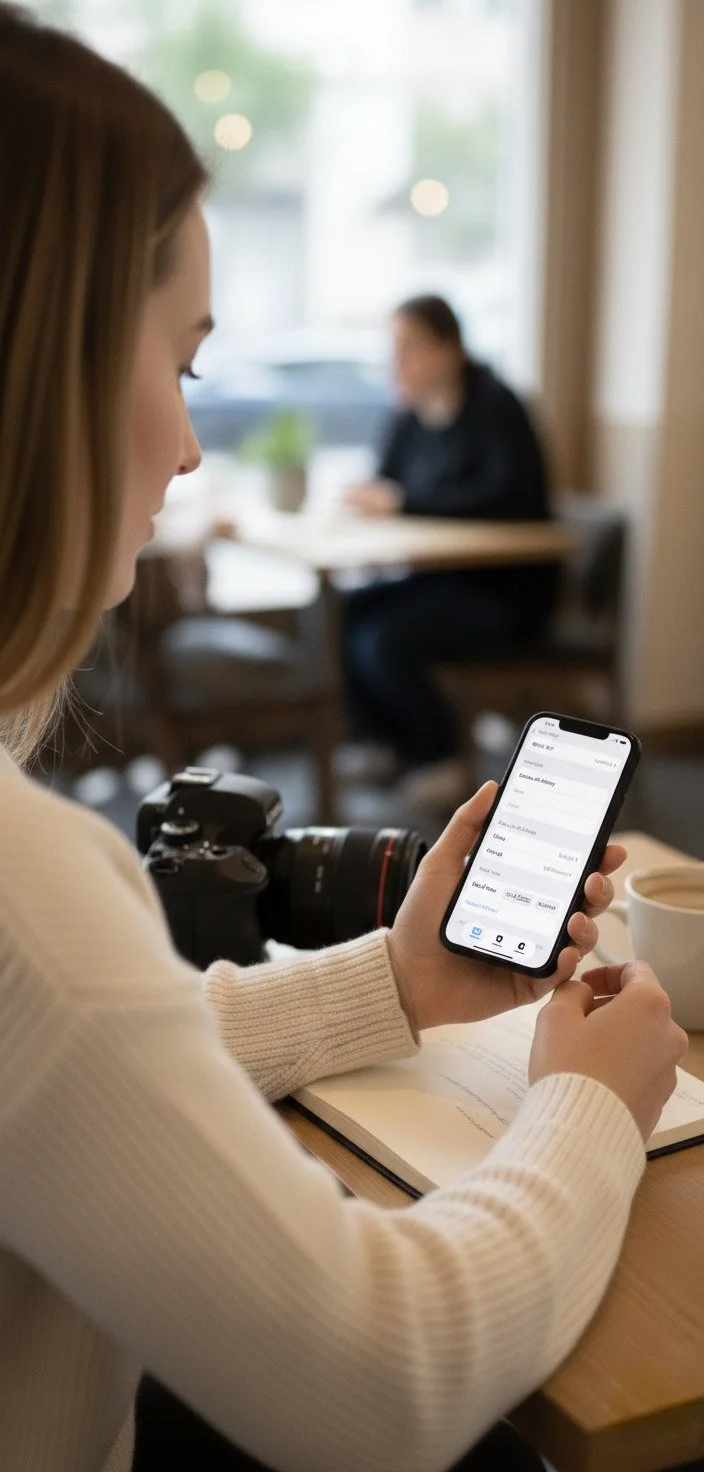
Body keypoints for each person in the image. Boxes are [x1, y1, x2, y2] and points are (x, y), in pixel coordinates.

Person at [0, 9, 688, 1472]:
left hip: (498, 597)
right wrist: (589, 1102)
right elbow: (389, 1386)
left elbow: (69, 1056)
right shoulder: (28, 887)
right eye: (183, 367)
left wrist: (399, 977)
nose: (192, 445)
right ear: (46, 369)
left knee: (383, 637)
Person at [340, 296, 558, 810]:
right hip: (438, 578)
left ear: (450, 349)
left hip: (506, 590)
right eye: (394, 349)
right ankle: (389, 743)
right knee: (344, 613)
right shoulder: (411, 415)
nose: (398, 362)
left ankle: (441, 755)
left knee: (384, 641)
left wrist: (401, 502)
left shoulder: (497, 407)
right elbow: (385, 485)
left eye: (409, 348)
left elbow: (502, 499)